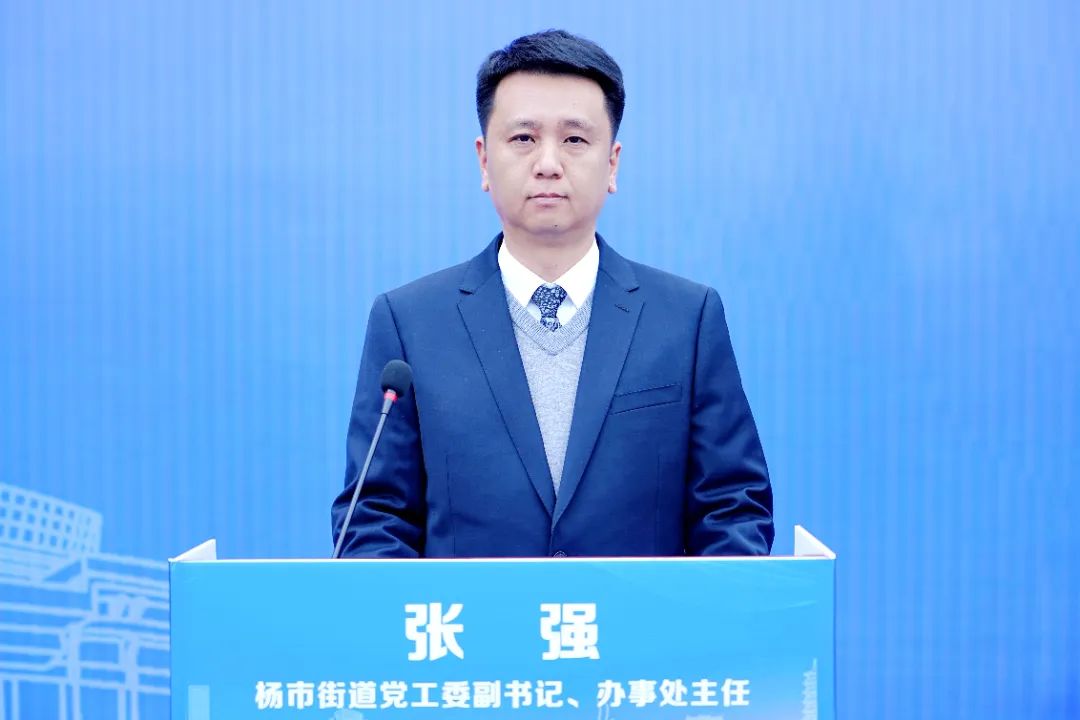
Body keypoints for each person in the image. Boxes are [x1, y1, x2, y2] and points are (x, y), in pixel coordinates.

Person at [331, 29, 773, 558]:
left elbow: (732, 509)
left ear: (612, 163)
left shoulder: (686, 320)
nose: (548, 163)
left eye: (575, 140)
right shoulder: (409, 323)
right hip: (472, 616)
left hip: (636, 615)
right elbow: (374, 520)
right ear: (483, 161)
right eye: (523, 138)